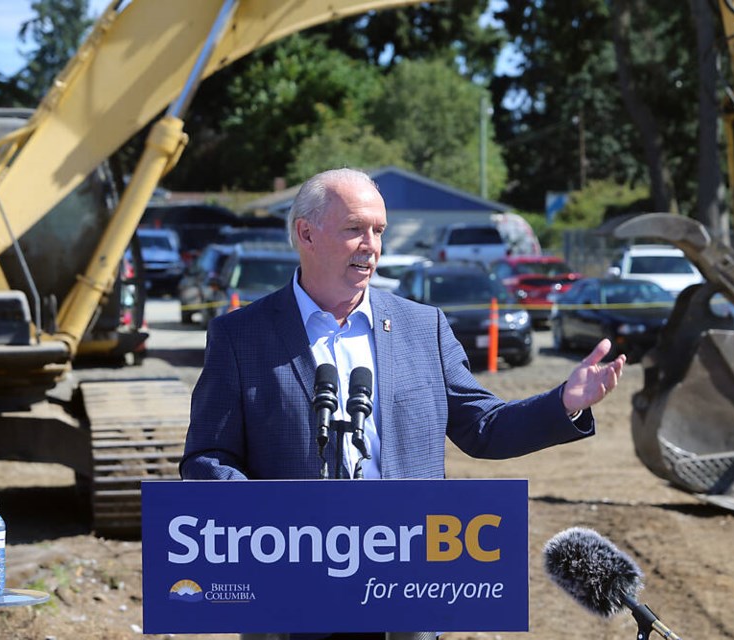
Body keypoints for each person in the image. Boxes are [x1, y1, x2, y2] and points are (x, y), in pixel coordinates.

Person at [180, 168, 626, 639]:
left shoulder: (423, 327)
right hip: (291, 588)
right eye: (354, 228)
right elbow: (206, 456)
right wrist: (269, 516)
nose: (371, 244)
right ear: (305, 233)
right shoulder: (240, 335)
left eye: (378, 230)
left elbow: (484, 427)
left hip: (403, 586)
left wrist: (564, 403)